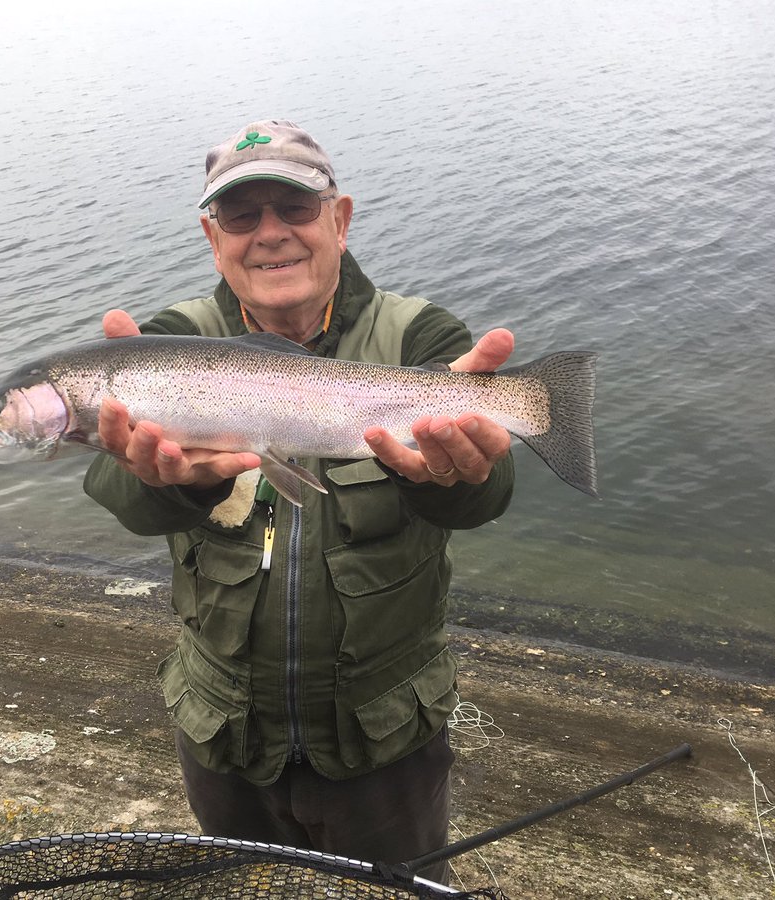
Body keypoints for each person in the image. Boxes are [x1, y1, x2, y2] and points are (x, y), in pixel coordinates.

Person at [83, 120, 517, 883]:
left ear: (340, 220)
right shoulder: (172, 344)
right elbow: (119, 490)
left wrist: (457, 473)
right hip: (222, 738)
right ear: (212, 238)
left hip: (383, 745)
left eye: (296, 209)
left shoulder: (421, 337)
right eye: (241, 216)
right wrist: (173, 481)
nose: (270, 234)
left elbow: (485, 495)